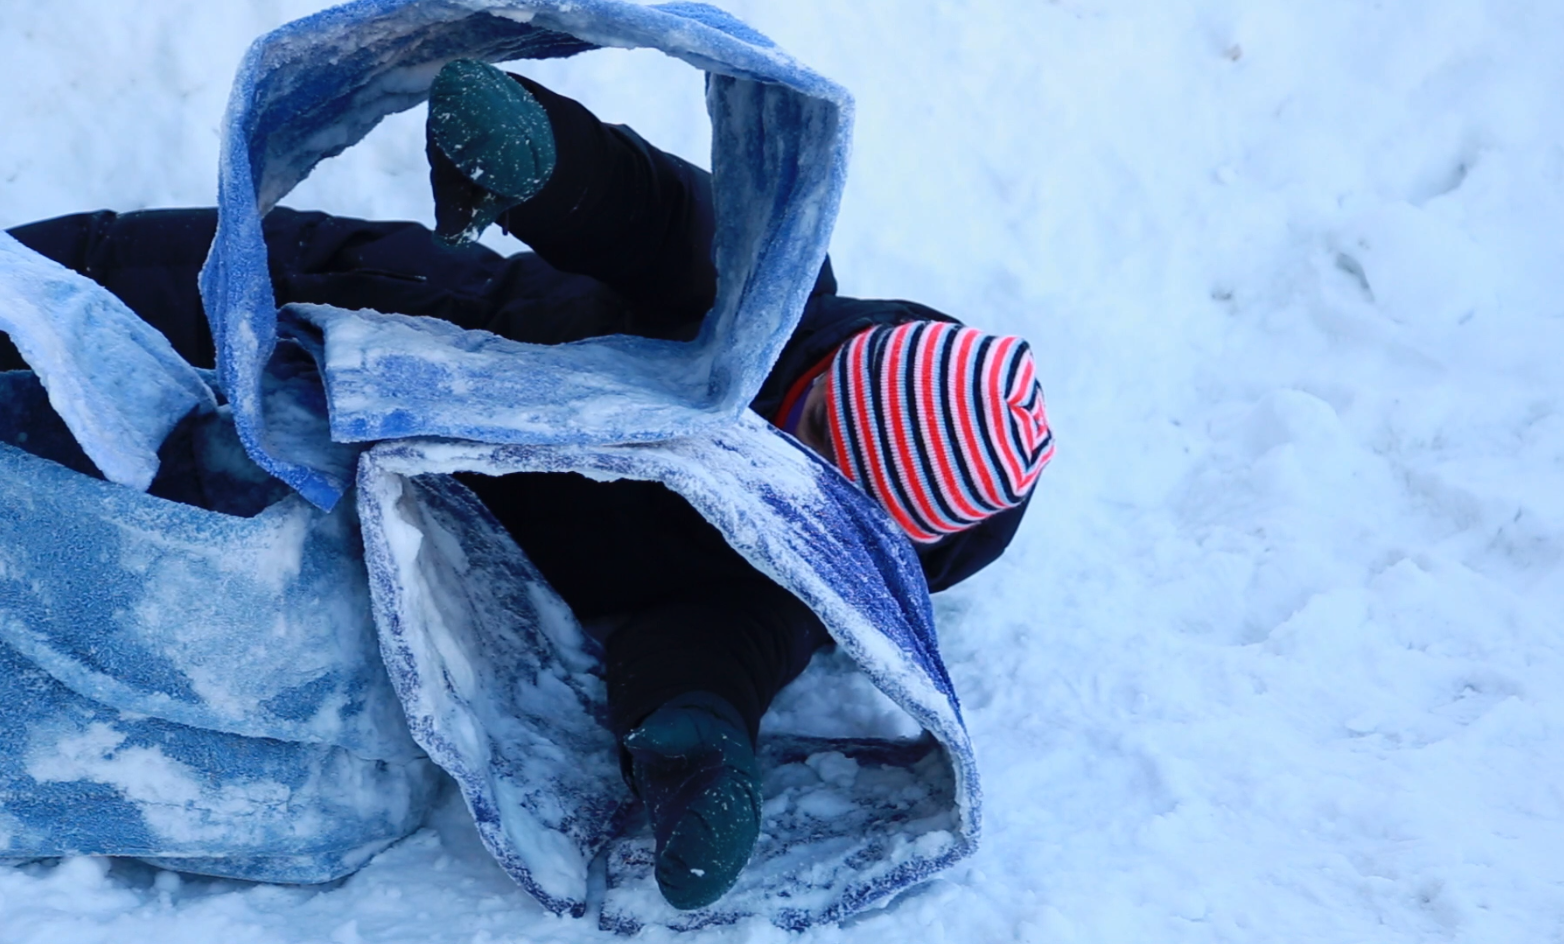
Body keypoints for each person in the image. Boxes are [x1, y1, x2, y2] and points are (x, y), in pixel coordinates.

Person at [0, 60, 1054, 909]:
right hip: (386, 317)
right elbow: (651, 211)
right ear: (839, 360)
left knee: (132, 480)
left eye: (821, 462)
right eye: (818, 407)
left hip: (386, 506)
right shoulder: (761, 297)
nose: (785, 434)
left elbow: (717, 647)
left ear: (859, 527)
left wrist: (699, 745)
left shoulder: (792, 577)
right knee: (108, 290)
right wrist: (543, 159)